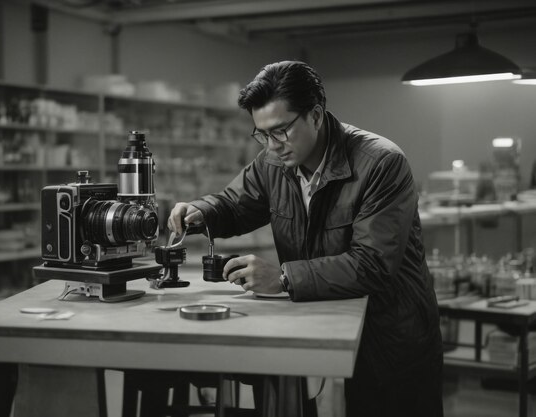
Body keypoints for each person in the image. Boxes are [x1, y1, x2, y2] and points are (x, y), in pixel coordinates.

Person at [167, 60, 443, 417]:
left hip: (389, 341)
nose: (271, 146)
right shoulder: (273, 162)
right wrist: (200, 210)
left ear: (315, 114)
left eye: (280, 131)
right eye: (262, 134)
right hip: (317, 325)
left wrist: (282, 278)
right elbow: (235, 204)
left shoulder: (381, 163)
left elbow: (373, 264)